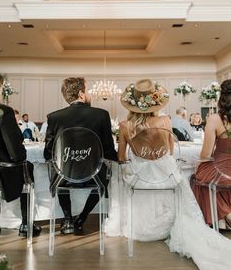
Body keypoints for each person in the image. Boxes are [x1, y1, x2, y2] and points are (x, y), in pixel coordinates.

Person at [105, 78, 231, 270]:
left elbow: (121, 159)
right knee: (186, 178)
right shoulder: (165, 121)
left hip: (139, 180)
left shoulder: (124, 126)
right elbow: (170, 153)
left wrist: (141, 159)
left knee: (119, 177)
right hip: (165, 177)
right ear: (155, 103)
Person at [44, 77, 118, 234]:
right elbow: (109, 151)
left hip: (64, 175)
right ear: (81, 94)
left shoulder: (54, 117)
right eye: (88, 90)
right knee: (105, 176)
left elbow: (48, 153)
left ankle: (68, 219)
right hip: (94, 175)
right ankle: (82, 217)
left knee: (57, 171)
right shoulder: (101, 115)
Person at [0, 72, 41, 237]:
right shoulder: (2, 111)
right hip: (0, 170)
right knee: (27, 166)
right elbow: (15, 152)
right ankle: (26, 223)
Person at [191, 79, 231, 230]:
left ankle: (224, 214)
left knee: (198, 178)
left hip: (222, 170)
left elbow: (206, 154)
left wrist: (198, 164)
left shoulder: (215, 119)